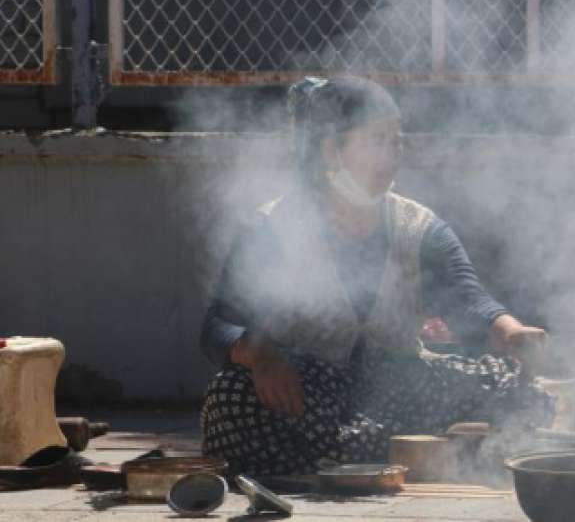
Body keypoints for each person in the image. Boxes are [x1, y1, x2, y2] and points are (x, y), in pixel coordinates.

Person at [199, 77, 552, 475]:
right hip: (308, 392)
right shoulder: (273, 227)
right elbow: (218, 324)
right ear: (331, 149)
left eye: (396, 141)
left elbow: (470, 301)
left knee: (520, 394)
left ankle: (357, 458)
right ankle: (409, 456)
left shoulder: (418, 228)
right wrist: (262, 357)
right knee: (230, 397)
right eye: (376, 140)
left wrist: (511, 333)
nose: (391, 155)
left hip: (401, 388)